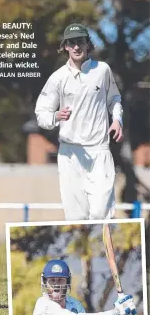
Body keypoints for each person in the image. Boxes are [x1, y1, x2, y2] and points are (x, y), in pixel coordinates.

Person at [35, 23, 124, 221]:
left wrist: (117, 119)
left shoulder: (102, 70)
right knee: (76, 217)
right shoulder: (58, 78)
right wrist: (55, 117)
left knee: (102, 214)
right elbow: (41, 113)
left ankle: (105, 250)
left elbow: (114, 99)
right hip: (70, 153)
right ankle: (83, 252)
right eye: (72, 43)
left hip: (99, 150)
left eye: (80, 42)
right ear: (65, 46)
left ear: (88, 44)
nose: (76, 47)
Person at [33, 259, 137, 315]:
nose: (56, 285)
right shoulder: (43, 305)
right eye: (52, 280)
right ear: (45, 282)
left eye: (60, 280)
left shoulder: (75, 304)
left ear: (67, 281)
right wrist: (113, 314)